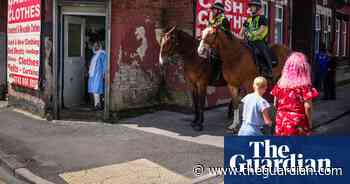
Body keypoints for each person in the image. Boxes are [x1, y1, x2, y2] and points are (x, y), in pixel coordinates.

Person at [271, 52, 319, 136]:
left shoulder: (280, 83)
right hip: (297, 124)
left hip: (280, 122)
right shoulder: (305, 86)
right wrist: (310, 123)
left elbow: (275, 103)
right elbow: (308, 107)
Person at [239, 0, 275, 78]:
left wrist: (252, 34)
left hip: (259, 41)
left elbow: (261, 30)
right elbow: (242, 31)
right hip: (249, 41)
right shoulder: (248, 19)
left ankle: (269, 70)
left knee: (261, 51)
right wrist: (240, 37)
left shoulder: (262, 18)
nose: (251, 8)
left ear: (258, 8)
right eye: (251, 7)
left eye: (253, 7)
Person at [88, 41, 107, 110]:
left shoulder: (102, 54)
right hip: (92, 75)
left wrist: (105, 73)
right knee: (93, 90)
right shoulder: (94, 55)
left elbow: (105, 65)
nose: (95, 47)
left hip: (98, 74)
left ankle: (98, 105)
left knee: (97, 90)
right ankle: (95, 105)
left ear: (100, 46)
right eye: (94, 45)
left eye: (97, 46)